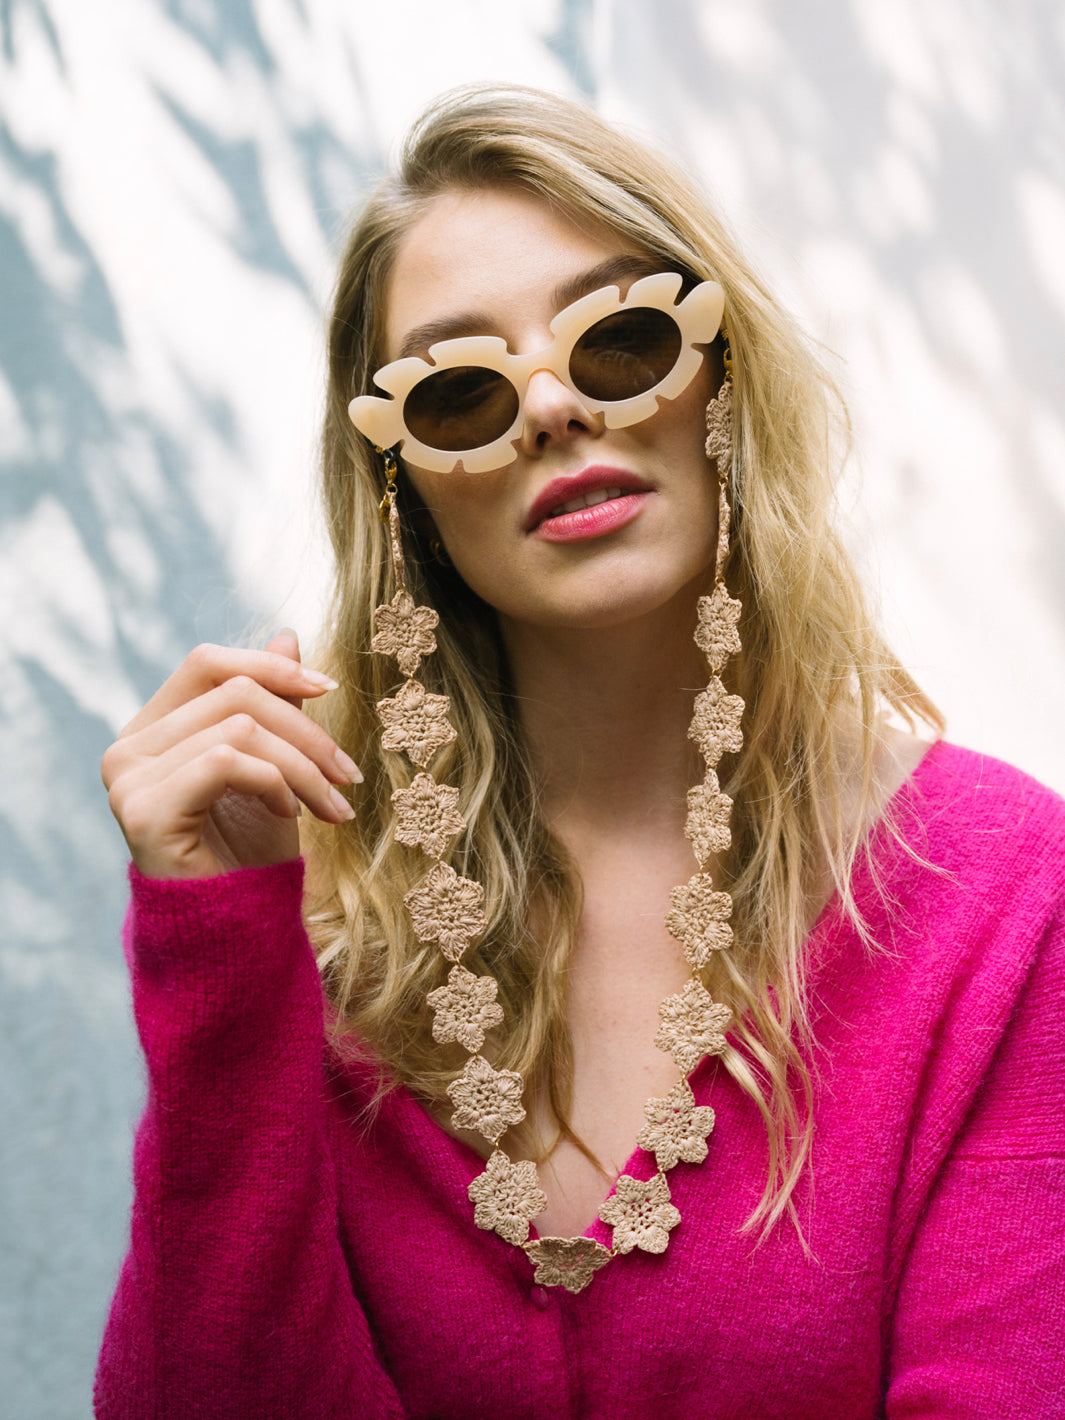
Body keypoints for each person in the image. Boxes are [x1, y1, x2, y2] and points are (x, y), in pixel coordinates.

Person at [94, 84, 1065, 1418]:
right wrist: (218, 944)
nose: (551, 407)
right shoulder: (318, 934)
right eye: (459, 393)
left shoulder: (999, 894)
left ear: (720, 377)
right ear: (404, 490)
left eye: (618, 340)